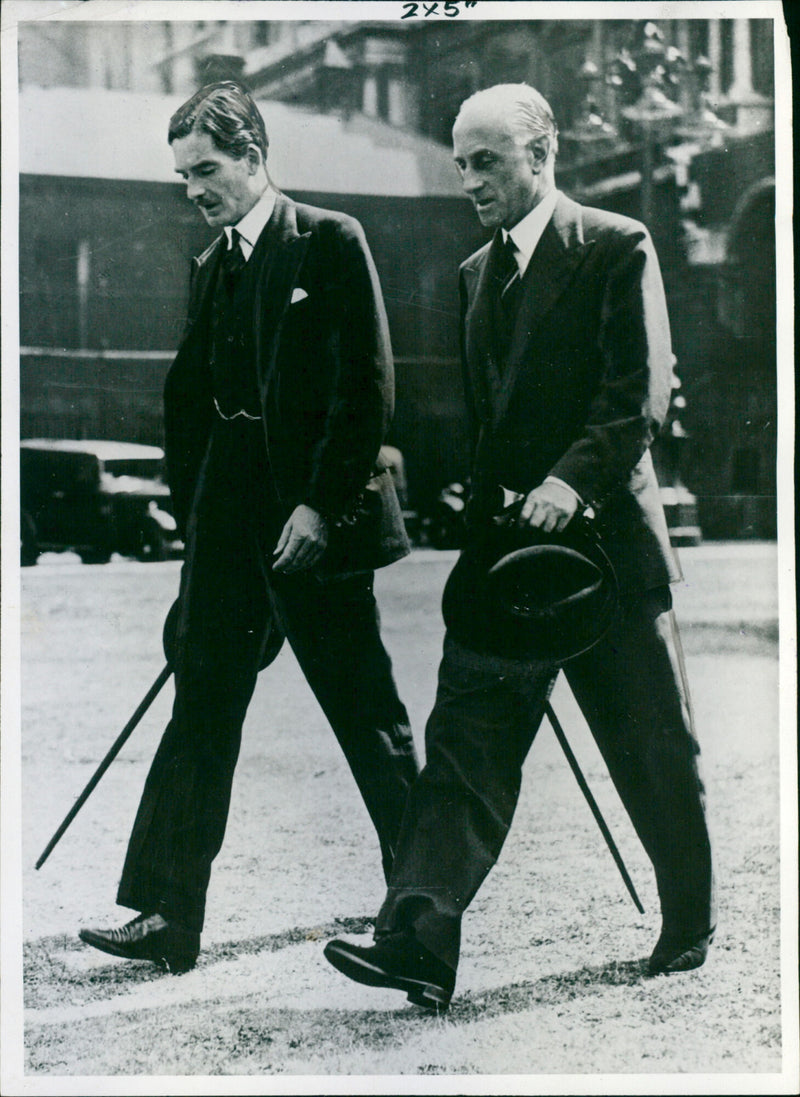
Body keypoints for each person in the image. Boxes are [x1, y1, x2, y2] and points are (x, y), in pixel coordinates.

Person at [324, 83, 715, 1011]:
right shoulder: (475, 273)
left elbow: (638, 394)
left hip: (606, 559)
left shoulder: (617, 245)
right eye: (462, 162)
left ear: (542, 155)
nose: (470, 179)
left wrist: (568, 484)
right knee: (465, 744)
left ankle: (689, 918)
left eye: (487, 161)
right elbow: (492, 416)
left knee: (650, 745)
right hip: (508, 562)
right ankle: (418, 939)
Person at [79, 82, 419, 974]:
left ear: (254, 157)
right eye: (183, 176)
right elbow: (195, 397)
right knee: (201, 702)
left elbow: (366, 388)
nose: (193, 189)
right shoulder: (212, 262)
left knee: (364, 711)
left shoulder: (330, 240)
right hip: (226, 522)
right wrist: (197, 510)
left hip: (314, 519)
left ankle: (424, 915)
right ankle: (167, 915)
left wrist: (319, 504)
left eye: (207, 169)